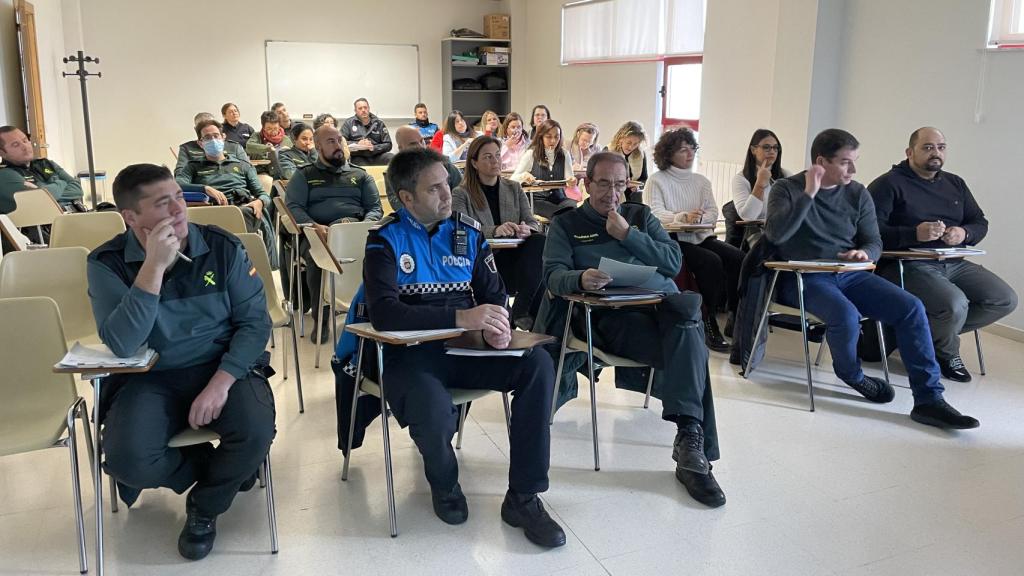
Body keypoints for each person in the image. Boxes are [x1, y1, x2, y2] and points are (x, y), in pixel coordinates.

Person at [356, 147, 566, 547]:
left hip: (465, 349)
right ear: (407, 199)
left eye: (446, 185)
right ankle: (445, 484)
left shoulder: (467, 233)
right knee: (432, 408)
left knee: (537, 363)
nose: (447, 195)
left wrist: (497, 327)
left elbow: (495, 294)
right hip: (409, 353)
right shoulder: (384, 241)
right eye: (434, 189)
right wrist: (461, 318)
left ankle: (524, 496)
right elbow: (385, 314)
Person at [87, 163, 275, 561]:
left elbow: (255, 323)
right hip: (149, 375)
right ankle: (223, 470)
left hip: (222, 366)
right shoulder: (107, 262)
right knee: (127, 461)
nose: (178, 210)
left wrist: (221, 382)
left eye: (178, 197)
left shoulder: (222, 247)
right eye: (162, 203)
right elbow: (122, 344)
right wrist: (153, 267)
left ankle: (204, 509)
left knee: (255, 431)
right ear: (131, 218)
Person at [540, 151, 725, 507]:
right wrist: (579, 277)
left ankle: (690, 440)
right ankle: (692, 447)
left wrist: (628, 236)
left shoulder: (639, 217)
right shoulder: (567, 224)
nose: (612, 193)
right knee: (692, 348)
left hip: (656, 309)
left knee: (686, 327)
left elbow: (672, 262)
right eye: (604, 184)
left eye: (620, 185)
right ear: (587, 183)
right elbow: (552, 276)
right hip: (604, 317)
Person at [764, 128, 979, 430]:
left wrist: (865, 253)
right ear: (821, 162)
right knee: (846, 316)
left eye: (855, 161)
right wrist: (808, 195)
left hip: (851, 276)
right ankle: (852, 375)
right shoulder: (787, 188)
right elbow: (776, 234)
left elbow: (874, 241)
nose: (853, 169)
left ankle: (929, 400)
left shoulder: (858, 193)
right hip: (804, 276)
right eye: (845, 162)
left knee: (911, 307)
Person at [869, 126, 1017, 382]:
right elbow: (869, 231)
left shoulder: (955, 183)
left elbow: (980, 222)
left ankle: (915, 336)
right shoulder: (888, 184)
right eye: (927, 147)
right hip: (906, 264)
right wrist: (913, 233)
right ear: (909, 151)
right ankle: (946, 353)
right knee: (954, 304)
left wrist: (964, 233)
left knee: (1004, 299)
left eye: (941, 147)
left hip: (952, 260)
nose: (935, 153)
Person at [646, 128, 743, 353]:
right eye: (683, 150)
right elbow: (654, 213)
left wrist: (698, 217)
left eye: (692, 148)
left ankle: (735, 317)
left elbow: (712, 211)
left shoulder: (701, 180)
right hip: (672, 239)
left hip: (699, 236)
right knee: (711, 262)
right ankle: (707, 322)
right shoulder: (657, 180)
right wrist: (682, 216)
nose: (689, 154)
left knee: (739, 258)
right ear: (668, 154)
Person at [286, 125, 382, 342]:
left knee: (380, 254)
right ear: (318, 146)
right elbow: (293, 207)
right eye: (331, 142)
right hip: (320, 235)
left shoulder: (360, 175)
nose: (338, 145)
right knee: (318, 258)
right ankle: (321, 317)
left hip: (354, 233)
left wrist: (361, 228)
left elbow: (375, 208)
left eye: (339, 140)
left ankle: (370, 309)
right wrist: (313, 225)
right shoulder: (305, 175)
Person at [452, 135, 544, 330]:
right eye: (487, 157)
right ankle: (518, 320)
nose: (495, 161)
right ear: (474, 163)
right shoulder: (461, 193)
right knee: (540, 281)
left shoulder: (514, 188)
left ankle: (521, 311)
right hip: (486, 263)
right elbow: (461, 230)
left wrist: (527, 229)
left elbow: (532, 221)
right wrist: (495, 230)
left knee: (539, 242)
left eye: (497, 155)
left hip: (516, 259)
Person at [178, 120, 277, 266]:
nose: (213, 140)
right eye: (207, 138)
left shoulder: (242, 165)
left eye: (216, 136)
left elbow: (263, 194)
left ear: (223, 137)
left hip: (242, 210)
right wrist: (204, 188)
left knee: (247, 213)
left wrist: (260, 202)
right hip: (208, 212)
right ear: (200, 143)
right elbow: (177, 185)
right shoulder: (192, 167)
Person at [0, 125, 84, 211]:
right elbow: (41, 198)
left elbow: (78, 189)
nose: (25, 147)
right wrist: (61, 182)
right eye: (16, 145)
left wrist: (45, 190)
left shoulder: (46, 163)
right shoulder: (5, 174)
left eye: (25, 140)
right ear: (2, 153)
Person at [509, 119, 577, 219]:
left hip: (559, 197)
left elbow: (569, 178)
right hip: (536, 200)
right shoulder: (531, 154)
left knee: (573, 210)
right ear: (541, 137)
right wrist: (524, 176)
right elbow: (513, 179)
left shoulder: (564, 154)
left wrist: (572, 181)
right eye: (549, 137)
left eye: (556, 137)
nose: (553, 141)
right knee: (560, 215)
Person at [386, 125, 462, 211]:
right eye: (413, 144)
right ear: (401, 148)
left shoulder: (444, 164)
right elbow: (399, 206)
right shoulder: (395, 172)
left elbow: (462, 193)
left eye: (422, 141)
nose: (421, 146)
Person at [731, 128, 785, 247]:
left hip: (782, 230)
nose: (772, 151)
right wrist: (760, 184)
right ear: (753, 149)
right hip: (756, 232)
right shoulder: (741, 179)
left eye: (775, 148)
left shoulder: (785, 175)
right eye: (766, 147)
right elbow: (748, 217)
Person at [175, 113, 249, 180]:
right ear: (195, 129)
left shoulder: (234, 146)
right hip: (202, 189)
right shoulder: (187, 148)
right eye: (201, 126)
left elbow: (248, 170)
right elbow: (180, 174)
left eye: (211, 125)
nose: (208, 128)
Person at [341, 97, 394, 166]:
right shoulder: (349, 123)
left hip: (377, 155)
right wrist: (358, 144)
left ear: (369, 108)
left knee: (392, 158)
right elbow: (341, 142)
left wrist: (374, 148)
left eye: (365, 107)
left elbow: (388, 144)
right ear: (355, 111)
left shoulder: (378, 123)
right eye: (360, 108)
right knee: (362, 168)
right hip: (358, 156)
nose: (363, 110)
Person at [606, 121, 649, 202]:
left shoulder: (641, 154)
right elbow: (602, 179)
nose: (631, 147)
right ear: (621, 138)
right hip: (612, 198)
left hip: (634, 198)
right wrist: (622, 184)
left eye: (635, 144)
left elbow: (644, 179)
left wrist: (638, 187)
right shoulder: (608, 151)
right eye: (628, 142)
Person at [246, 110, 293, 185]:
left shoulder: (286, 139)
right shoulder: (257, 136)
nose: (273, 131)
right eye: (269, 129)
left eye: (275, 128)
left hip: (282, 174)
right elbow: (249, 146)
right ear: (263, 127)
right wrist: (267, 148)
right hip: (261, 172)